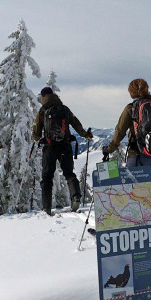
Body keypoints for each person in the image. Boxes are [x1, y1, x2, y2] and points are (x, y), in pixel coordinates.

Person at [33, 86, 94, 215]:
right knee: (69, 173)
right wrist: (85, 134)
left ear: (43, 97)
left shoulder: (42, 111)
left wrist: (37, 137)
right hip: (65, 145)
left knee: (47, 177)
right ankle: (75, 197)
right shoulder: (65, 109)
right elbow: (76, 124)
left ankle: (46, 207)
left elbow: (36, 134)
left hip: (49, 148)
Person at [103, 78, 151, 182]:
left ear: (132, 92)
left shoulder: (131, 109)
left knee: (133, 192)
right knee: (145, 193)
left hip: (136, 156)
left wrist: (109, 149)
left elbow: (120, 131)